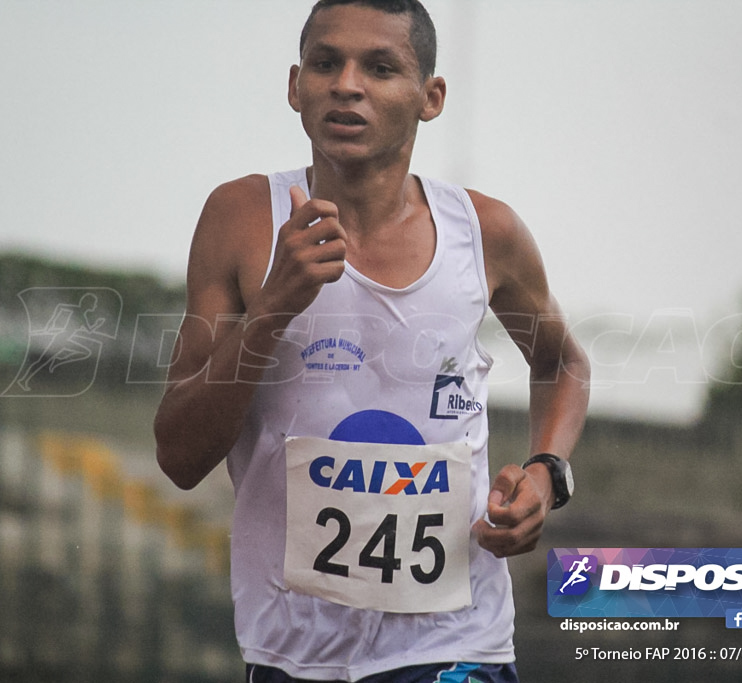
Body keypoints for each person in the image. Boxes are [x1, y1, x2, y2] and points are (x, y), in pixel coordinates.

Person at [153, 1, 590, 680]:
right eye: (327, 63)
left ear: (430, 97)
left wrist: (545, 470)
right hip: (290, 653)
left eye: (381, 68)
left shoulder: (486, 232)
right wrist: (275, 305)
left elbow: (563, 362)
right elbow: (179, 454)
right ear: (295, 85)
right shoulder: (240, 219)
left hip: (455, 644)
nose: (347, 85)